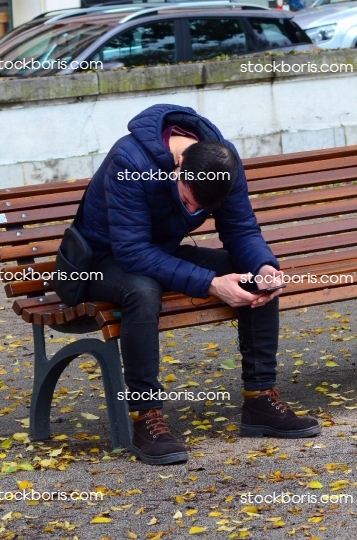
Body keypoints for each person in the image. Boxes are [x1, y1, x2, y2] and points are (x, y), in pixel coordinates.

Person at [78, 103, 320, 465]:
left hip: (156, 252)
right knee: (142, 290)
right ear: (179, 167)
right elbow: (132, 254)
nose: (192, 212)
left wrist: (265, 266)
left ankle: (260, 399)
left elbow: (240, 229)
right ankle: (145, 416)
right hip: (101, 262)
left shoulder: (223, 163)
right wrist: (211, 283)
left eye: (200, 209)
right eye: (188, 200)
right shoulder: (130, 161)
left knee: (253, 276)